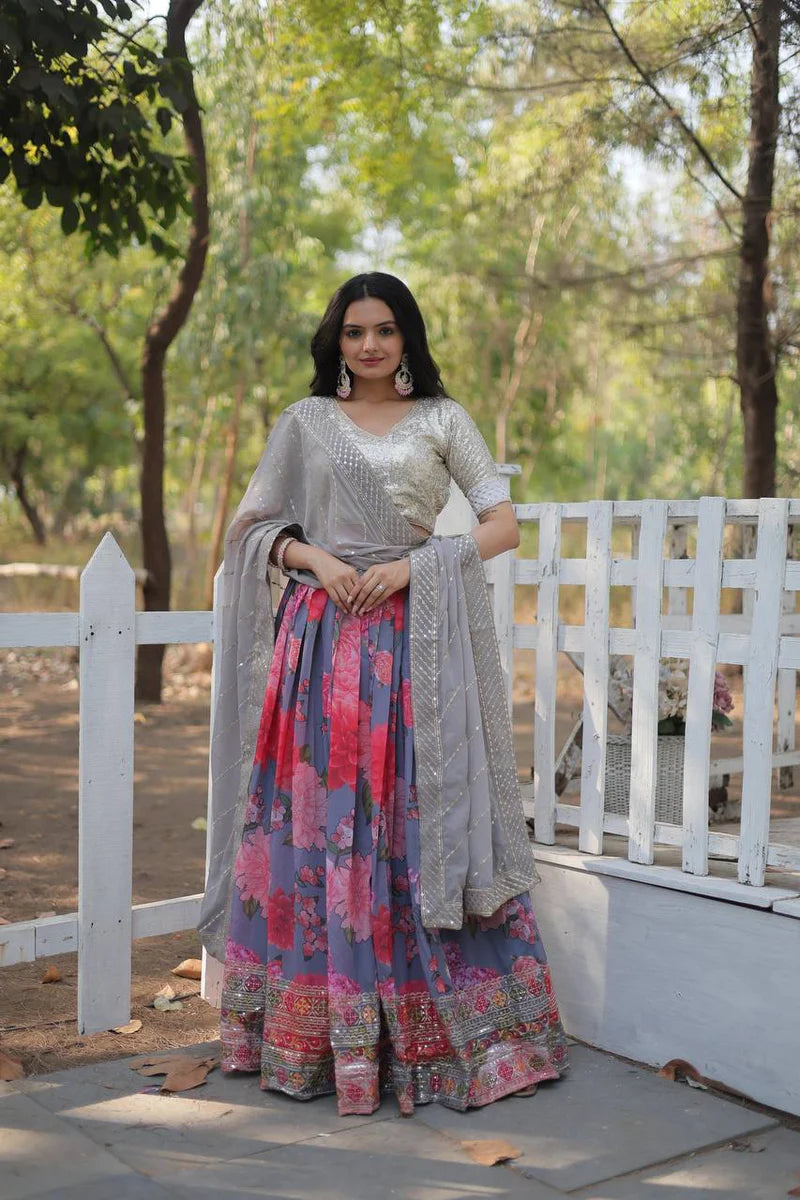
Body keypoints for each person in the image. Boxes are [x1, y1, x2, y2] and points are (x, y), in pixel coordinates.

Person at [198, 271, 568, 1117]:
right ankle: (317, 1036)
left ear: (407, 339)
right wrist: (316, 558)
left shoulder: (443, 419)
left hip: (411, 645)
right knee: (321, 821)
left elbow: (503, 523)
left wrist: (412, 568)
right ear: (337, 340)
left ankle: (429, 1034)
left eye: (385, 330)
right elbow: (251, 530)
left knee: (408, 817)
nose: (369, 345)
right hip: (319, 644)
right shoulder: (304, 422)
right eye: (355, 331)